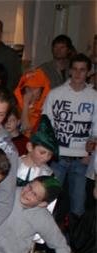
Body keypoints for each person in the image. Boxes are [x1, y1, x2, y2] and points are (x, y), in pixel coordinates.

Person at [42, 53, 97, 223]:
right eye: (75, 69)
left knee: (78, 206)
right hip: (57, 157)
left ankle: (76, 238)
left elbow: (96, 129)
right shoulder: (55, 94)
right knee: (48, 202)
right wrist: (48, 151)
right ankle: (44, 237)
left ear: (88, 72)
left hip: (82, 160)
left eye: (82, 70)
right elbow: (46, 125)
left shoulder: (94, 96)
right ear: (69, 71)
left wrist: (91, 153)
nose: (78, 73)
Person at [16, 116, 58, 186]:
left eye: (50, 154)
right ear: (29, 147)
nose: (46, 158)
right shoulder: (13, 165)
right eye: (42, 152)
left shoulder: (48, 175)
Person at [15, 68, 51, 136]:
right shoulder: (18, 105)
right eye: (28, 88)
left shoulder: (45, 108)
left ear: (42, 90)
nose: (30, 91)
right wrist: (25, 104)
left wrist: (26, 104)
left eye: (34, 88)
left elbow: (26, 128)